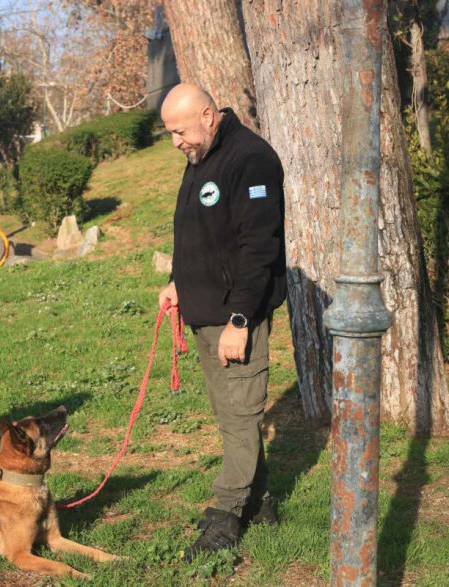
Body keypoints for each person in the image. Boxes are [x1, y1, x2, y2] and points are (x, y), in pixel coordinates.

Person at [157, 83, 286, 561]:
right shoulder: (200, 157)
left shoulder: (250, 159)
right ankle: (261, 501)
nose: (177, 142)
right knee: (233, 414)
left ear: (209, 115)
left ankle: (226, 516)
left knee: (241, 412)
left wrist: (240, 320)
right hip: (204, 311)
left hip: (236, 316)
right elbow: (195, 234)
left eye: (181, 131)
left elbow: (259, 249)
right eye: (171, 133)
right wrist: (178, 282)